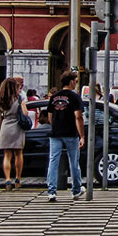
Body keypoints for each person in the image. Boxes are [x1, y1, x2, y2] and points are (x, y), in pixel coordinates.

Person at [46, 70, 85, 200]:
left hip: (56, 133)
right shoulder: (75, 97)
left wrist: (57, 125)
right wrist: (82, 136)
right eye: (76, 81)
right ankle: (76, 190)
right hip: (71, 132)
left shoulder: (54, 97)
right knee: (73, 162)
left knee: (53, 161)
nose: (76, 84)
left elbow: (50, 117)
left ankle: (51, 191)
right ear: (72, 82)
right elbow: (78, 117)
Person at [0, 78, 28, 190]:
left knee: (7, 155)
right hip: (17, 127)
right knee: (18, 154)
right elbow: (25, 113)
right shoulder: (19, 99)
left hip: (5, 127)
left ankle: (8, 179)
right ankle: (18, 179)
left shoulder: (0, 100)